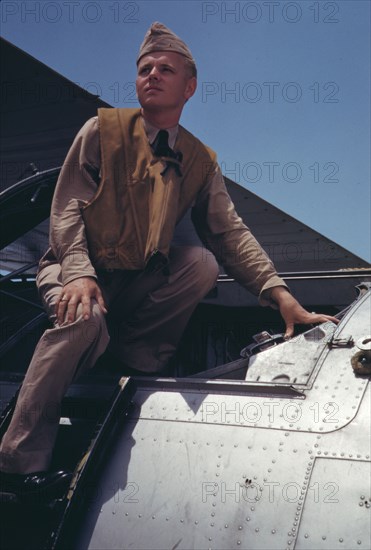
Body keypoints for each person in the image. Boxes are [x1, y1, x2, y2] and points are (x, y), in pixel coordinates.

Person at [0, 22, 338, 500]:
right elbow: (68, 206)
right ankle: (16, 464)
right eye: (144, 69)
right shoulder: (102, 130)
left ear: (189, 86)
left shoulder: (198, 160)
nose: (152, 75)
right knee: (83, 317)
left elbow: (229, 231)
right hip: (74, 269)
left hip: (137, 277)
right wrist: (77, 273)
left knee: (199, 262)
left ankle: (128, 360)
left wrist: (282, 298)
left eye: (165, 69)